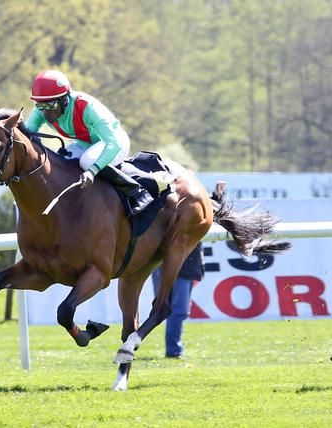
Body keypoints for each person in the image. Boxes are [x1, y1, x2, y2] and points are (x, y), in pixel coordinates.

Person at [22, 69, 153, 216]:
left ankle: (137, 192)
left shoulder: (87, 107)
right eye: (40, 106)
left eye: (50, 106)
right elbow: (26, 133)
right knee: (60, 162)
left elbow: (113, 142)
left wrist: (92, 171)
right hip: (86, 145)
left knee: (87, 162)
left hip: (115, 143)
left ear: (64, 100)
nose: (45, 112)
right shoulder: (42, 110)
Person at [150, 245, 204, 358]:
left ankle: (173, 348)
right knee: (179, 311)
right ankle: (174, 350)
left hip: (170, 268)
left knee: (171, 311)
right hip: (181, 269)